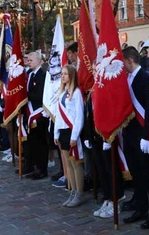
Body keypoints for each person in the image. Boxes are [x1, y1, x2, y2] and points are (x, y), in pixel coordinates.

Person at [122, 46, 149, 230]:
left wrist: (147, 136)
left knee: (148, 174)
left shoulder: (146, 78)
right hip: (129, 133)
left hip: (143, 135)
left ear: (130, 60)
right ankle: (141, 207)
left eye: (124, 63)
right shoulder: (127, 78)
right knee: (136, 173)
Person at [54, 64, 86, 207]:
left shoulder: (77, 92)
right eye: (62, 74)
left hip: (72, 131)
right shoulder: (62, 92)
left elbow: (79, 116)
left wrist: (74, 136)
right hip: (63, 131)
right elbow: (59, 116)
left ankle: (79, 193)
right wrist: (56, 133)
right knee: (68, 164)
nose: (63, 76)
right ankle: (72, 191)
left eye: (65, 74)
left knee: (76, 164)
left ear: (72, 76)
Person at [24, 51, 49, 179]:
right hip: (29, 112)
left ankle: (41, 169)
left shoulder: (42, 75)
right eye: (27, 60)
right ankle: (32, 166)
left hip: (39, 113)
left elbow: (40, 95)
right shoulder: (29, 74)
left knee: (40, 143)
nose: (28, 62)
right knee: (31, 142)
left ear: (39, 61)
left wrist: (24, 96)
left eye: (31, 60)